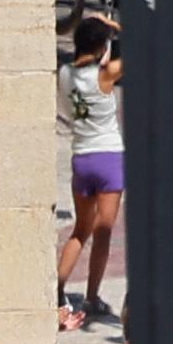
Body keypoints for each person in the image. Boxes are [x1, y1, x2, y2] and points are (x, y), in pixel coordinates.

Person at [59, 21, 125, 327]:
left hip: (81, 157)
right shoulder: (106, 74)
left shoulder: (65, 74)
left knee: (80, 229)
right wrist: (116, 25)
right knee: (103, 231)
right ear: (100, 46)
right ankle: (92, 295)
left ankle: (58, 288)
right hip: (109, 157)